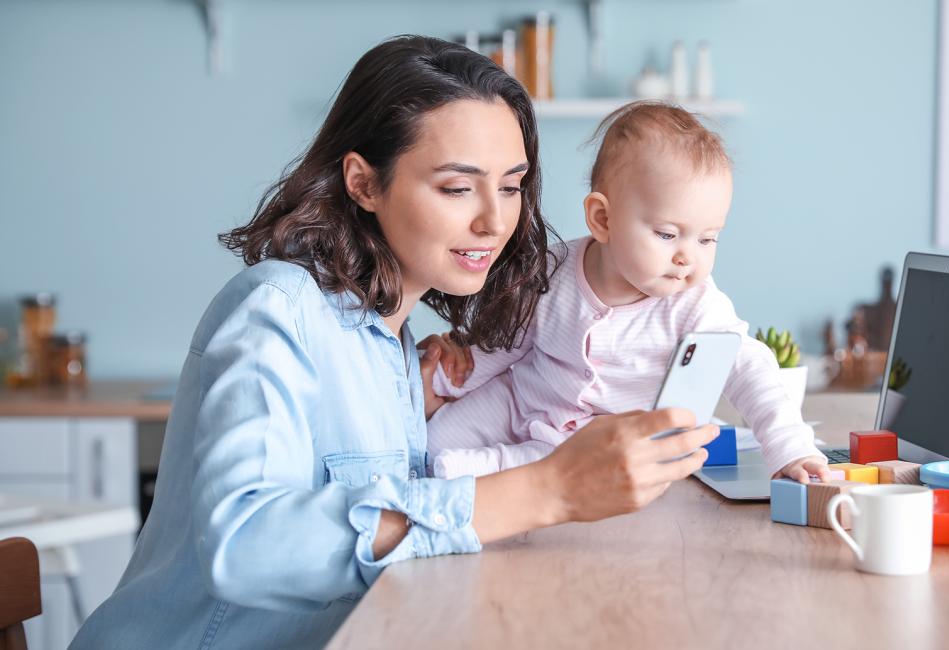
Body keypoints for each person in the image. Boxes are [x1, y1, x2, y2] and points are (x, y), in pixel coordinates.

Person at [70, 38, 716, 649]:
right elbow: (246, 547)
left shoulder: (403, 352)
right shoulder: (277, 308)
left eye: (512, 185)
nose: (494, 219)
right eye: (457, 187)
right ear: (364, 183)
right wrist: (547, 488)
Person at [423, 102, 828, 483]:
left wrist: (791, 450)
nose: (688, 257)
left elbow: (747, 368)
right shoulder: (552, 268)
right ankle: (444, 464)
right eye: (668, 234)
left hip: (603, 437)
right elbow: (507, 341)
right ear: (603, 219)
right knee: (435, 437)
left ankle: (478, 470)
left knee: (559, 465)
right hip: (523, 397)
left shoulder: (695, 304)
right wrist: (449, 379)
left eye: (708, 239)